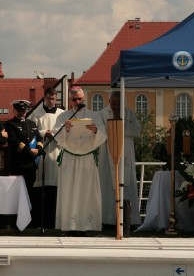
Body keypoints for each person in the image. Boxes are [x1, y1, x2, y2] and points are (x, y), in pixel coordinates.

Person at [53, 86, 106, 235]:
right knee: (69, 191)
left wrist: (96, 130)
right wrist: (66, 129)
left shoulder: (94, 115)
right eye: (74, 99)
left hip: (88, 157)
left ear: (84, 99)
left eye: (80, 99)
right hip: (70, 157)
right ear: (70, 100)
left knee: (87, 192)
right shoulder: (63, 117)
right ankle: (69, 225)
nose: (77, 101)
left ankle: (88, 226)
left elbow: (104, 135)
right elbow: (57, 136)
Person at [99, 90, 142, 227]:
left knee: (127, 187)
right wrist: (111, 126)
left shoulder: (128, 113)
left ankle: (130, 220)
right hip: (107, 154)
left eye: (119, 104)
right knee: (106, 187)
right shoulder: (101, 114)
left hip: (125, 154)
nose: (116, 107)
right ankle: (107, 220)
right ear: (109, 101)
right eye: (114, 104)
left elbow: (137, 130)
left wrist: (121, 123)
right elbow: (100, 132)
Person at [29, 87, 64, 228]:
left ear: (56, 99)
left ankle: (54, 221)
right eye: (49, 98)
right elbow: (31, 131)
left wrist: (55, 134)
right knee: (40, 188)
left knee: (54, 189)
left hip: (56, 152)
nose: (51, 101)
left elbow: (65, 131)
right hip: (41, 153)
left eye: (54, 98)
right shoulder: (36, 114)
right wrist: (44, 132)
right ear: (44, 98)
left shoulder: (62, 114)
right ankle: (38, 221)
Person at [5, 100, 44, 206]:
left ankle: (28, 218)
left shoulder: (32, 124)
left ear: (26, 111)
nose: (21, 112)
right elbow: (14, 141)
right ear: (14, 110)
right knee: (16, 193)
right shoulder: (10, 124)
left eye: (23, 110)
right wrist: (29, 150)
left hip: (31, 164)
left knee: (29, 191)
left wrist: (38, 149)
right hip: (18, 164)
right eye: (18, 110)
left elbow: (39, 138)